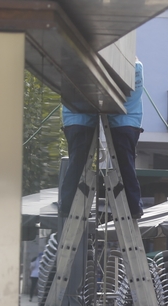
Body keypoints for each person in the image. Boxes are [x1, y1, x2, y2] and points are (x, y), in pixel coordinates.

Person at [59, 60, 146, 221]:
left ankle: (67, 206)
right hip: (128, 123)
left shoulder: (75, 67)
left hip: (77, 121)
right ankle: (133, 207)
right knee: (126, 166)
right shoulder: (134, 67)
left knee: (77, 165)